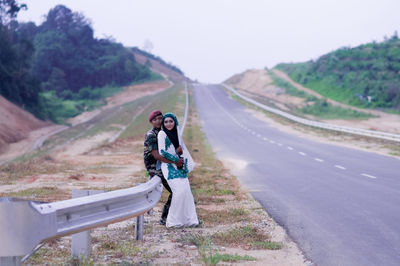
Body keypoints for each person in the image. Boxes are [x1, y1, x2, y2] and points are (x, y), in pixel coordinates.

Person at [157, 112, 199, 228]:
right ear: (163, 124)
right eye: (166, 122)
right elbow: (162, 152)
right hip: (169, 166)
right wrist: (176, 159)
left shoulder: (177, 133)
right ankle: (172, 221)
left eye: (171, 121)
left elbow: (182, 151)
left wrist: (181, 158)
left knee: (186, 191)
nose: (168, 124)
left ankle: (190, 220)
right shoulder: (162, 134)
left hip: (179, 166)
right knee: (178, 192)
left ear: (175, 122)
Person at [144, 110, 184, 225]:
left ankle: (175, 216)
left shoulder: (162, 133)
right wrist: (175, 161)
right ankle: (165, 217)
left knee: (179, 188)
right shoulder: (151, 135)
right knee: (175, 190)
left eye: (160, 118)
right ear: (151, 121)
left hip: (163, 164)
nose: (158, 121)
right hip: (154, 167)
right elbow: (157, 155)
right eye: (155, 119)